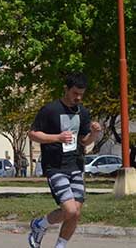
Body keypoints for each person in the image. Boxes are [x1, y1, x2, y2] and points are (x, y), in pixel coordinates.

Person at [27, 72, 102, 248]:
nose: (78, 97)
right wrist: (57, 138)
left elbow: (83, 141)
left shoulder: (82, 112)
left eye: (82, 94)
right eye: (75, 93)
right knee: (69, 209)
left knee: (75, 213)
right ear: (66, 89)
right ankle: (40, 225)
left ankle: (60, 245)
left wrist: (94, 134)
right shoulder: (50, 110)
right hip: (55, 166)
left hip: (76, 165)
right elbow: (33, 134)